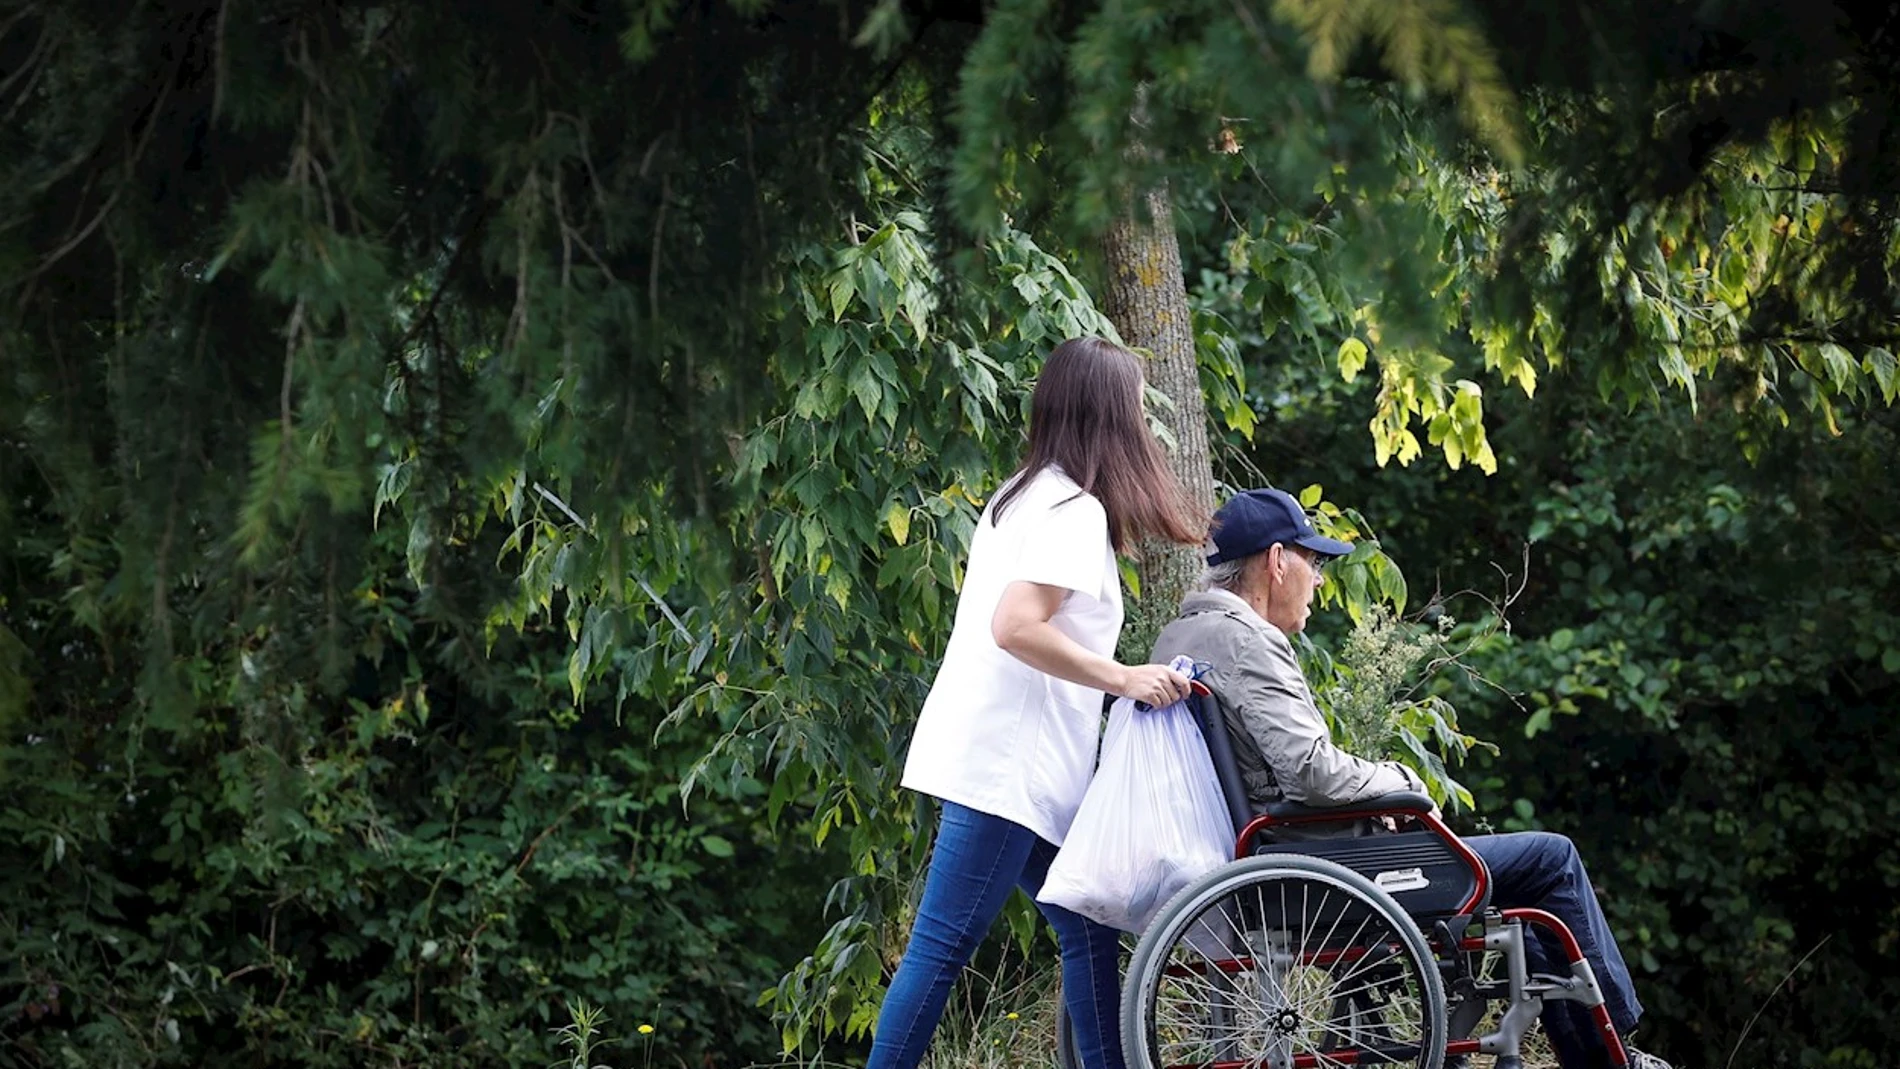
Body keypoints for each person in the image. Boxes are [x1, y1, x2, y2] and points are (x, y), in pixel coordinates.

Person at [1148, 487, 1674, 1069]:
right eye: (1314, 563)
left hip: (1268, 860)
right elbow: (1311, 773)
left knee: (1527, 893)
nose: (1318, 581)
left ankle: (1595, 1053)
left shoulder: (1178, 638)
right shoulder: (1249, 641)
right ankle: (1612, 1055)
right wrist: (1398, 781)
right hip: (1323, 867)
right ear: (1277, 562)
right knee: (1551, 860)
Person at [871, 337, 1205, 1069]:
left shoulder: (1023, 494)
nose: (1144, 424)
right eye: (1137, 407)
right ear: (1110, 414)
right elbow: (1015, 627)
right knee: (942, 946)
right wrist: (1124, 677)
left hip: (1023, 768)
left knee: (1087, 926)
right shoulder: (1071, 511)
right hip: (1009, 772)